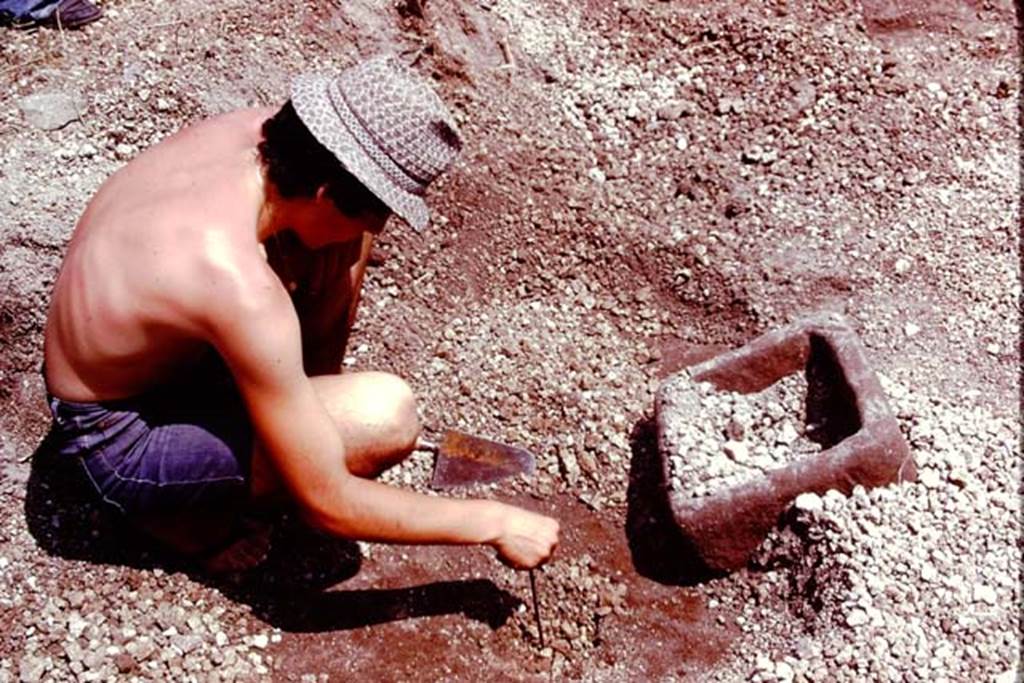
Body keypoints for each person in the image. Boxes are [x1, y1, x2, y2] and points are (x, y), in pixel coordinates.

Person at [42, 54, 560, 573]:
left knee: (345, 247)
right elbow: (328, 501)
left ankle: (295, 417)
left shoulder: (259, 136)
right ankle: (181, 522)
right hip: (115, 436)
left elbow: (333, 225)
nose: (381, 228)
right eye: (376, 212)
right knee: (386, 418)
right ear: (325, 193)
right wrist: (495, 523)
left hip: (149, 357)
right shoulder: (236, 284)